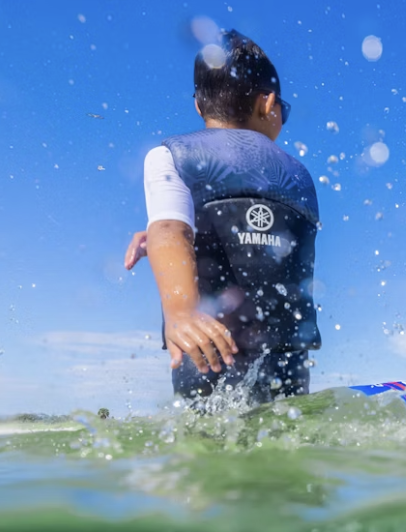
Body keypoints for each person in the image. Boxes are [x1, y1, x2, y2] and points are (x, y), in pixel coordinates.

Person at [123, 29, 321, 404]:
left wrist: (181, 314)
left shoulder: (170, 156)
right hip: (287, 357)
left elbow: (170, 229)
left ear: (199, 107)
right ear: (269, 103)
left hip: (206, 349)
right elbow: (261, 241)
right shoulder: (299, 176)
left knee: (209, 440)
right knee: (285, 435)